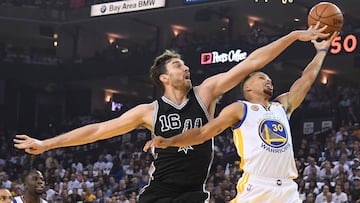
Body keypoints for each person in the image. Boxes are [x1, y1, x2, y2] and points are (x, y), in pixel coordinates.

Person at [14, 23, 329, 203]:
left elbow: (251, 63)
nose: (186, 67)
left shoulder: (206, 93)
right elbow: (97, 131)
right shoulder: (149, 112)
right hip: (160, 193)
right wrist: (47, 144)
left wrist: (292, 36)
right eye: (178, 65)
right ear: (164, 77)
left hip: (192, 193)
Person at [143, 31, 338, 203]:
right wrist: (170, 141)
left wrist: (321, 51)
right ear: (248, 87)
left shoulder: (282, 107)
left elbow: (307, 79)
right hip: (257, 186)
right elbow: (203, 132)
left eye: (269, 79)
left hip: (288, 189)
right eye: (262, 78)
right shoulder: (239, 109)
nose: (268, 80)